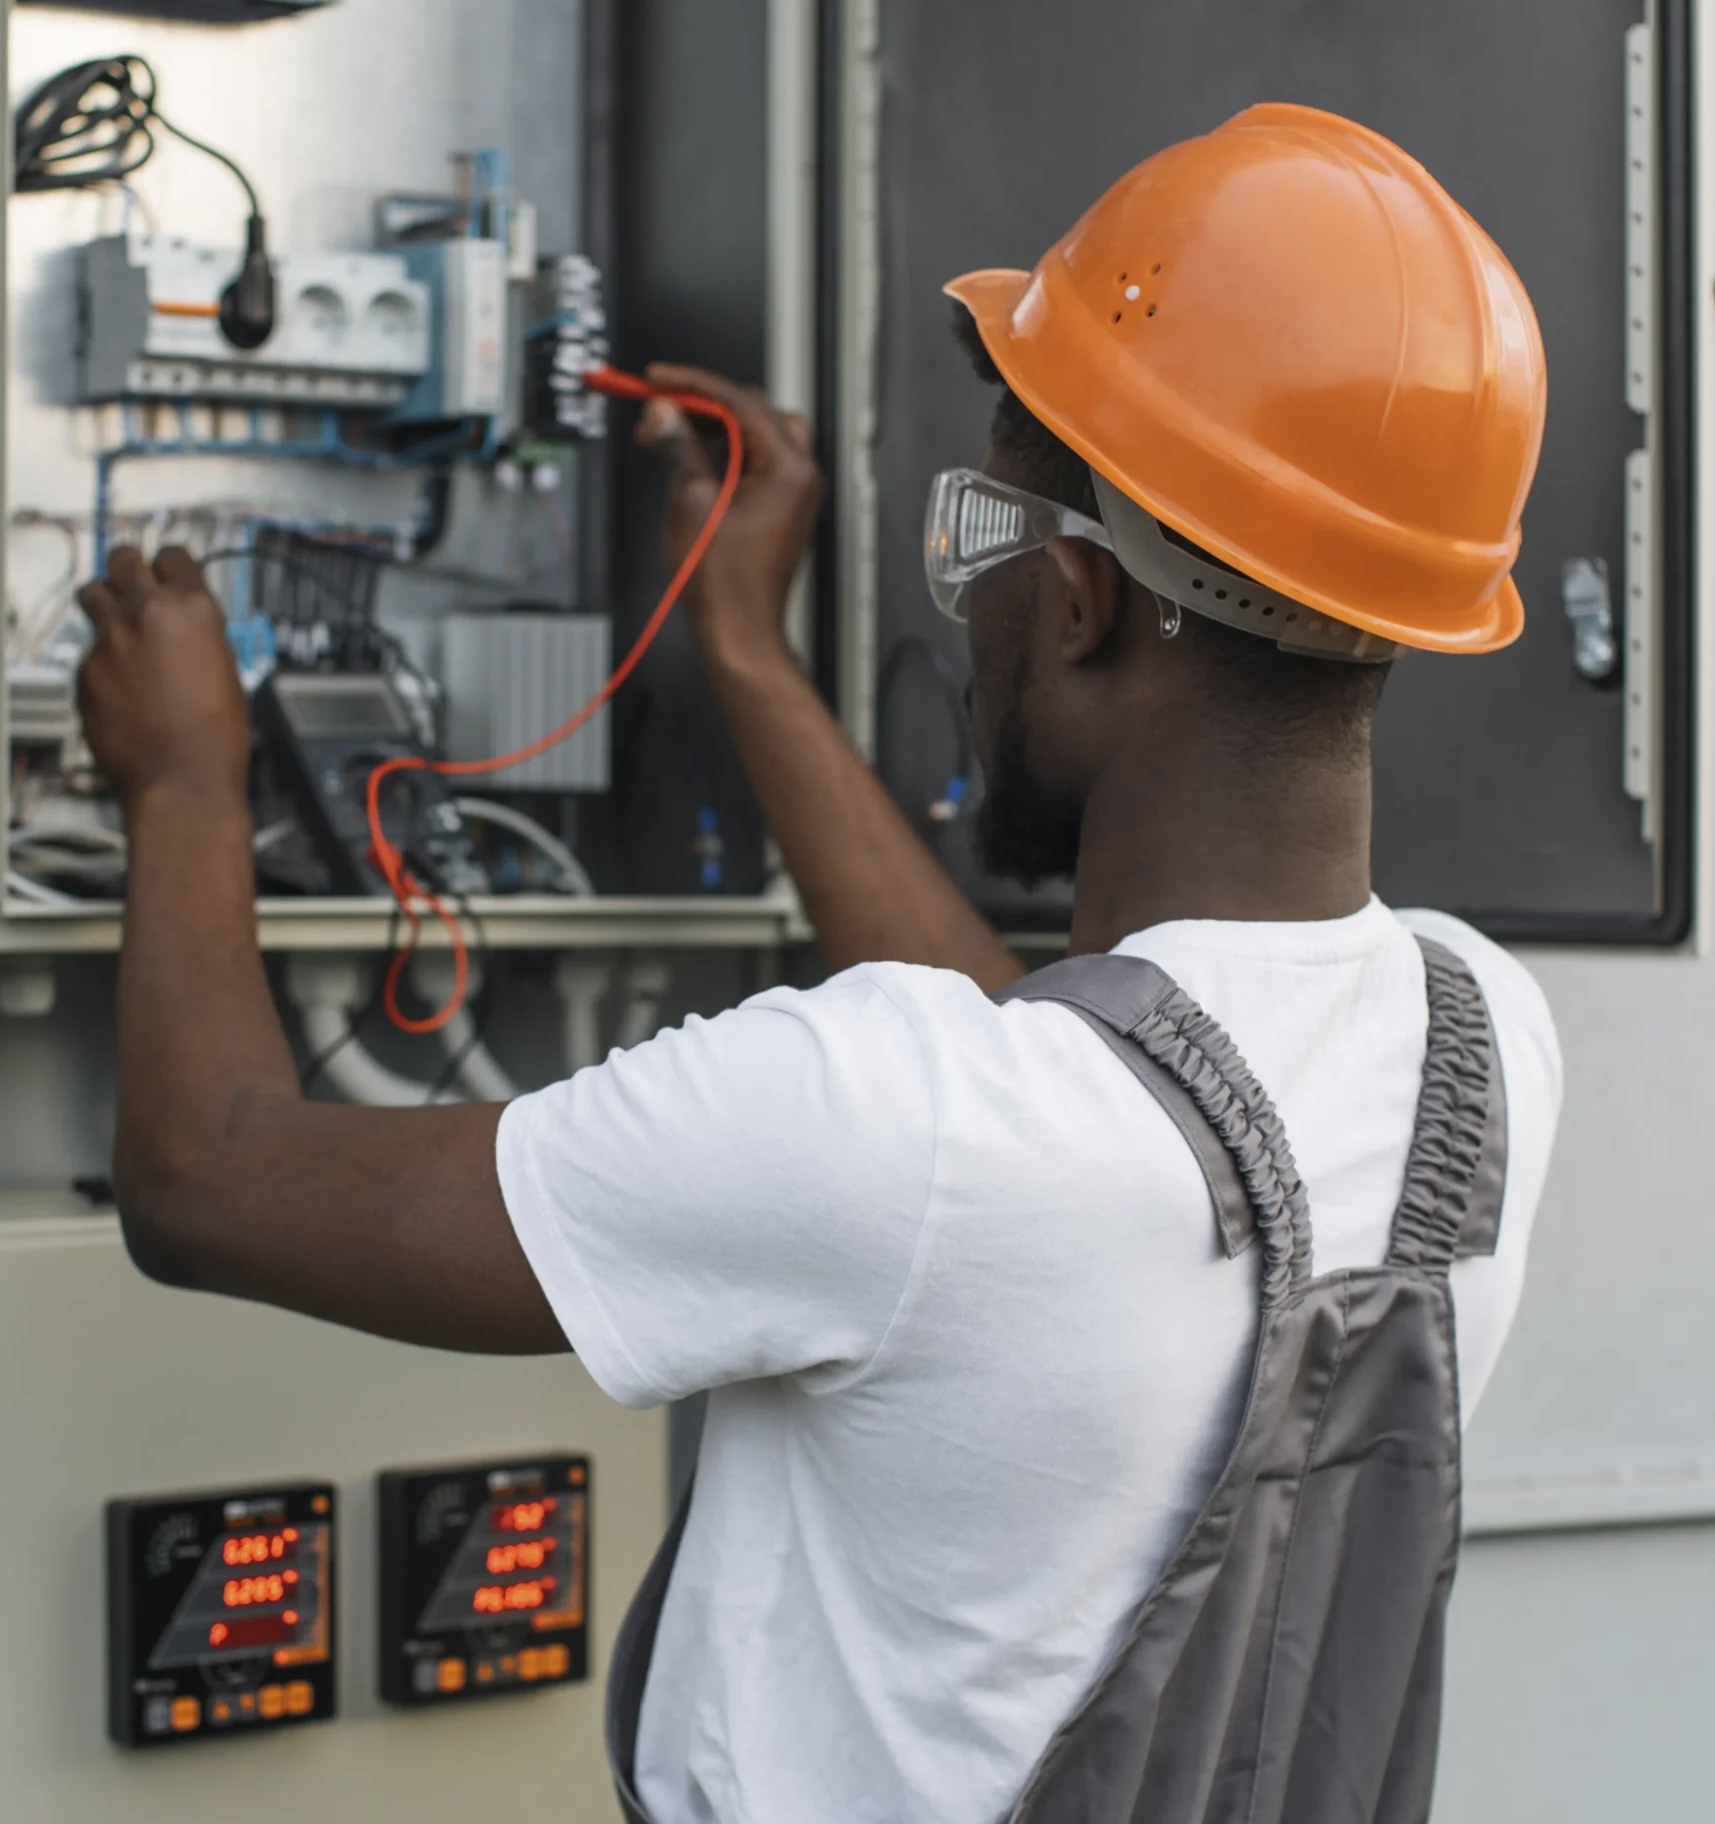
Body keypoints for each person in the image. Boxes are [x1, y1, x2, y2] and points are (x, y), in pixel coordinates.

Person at [75, 104, 1562, 1824]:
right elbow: (1070, 1080)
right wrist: (744, 655)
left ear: (1079, 602)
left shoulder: (894, 1122)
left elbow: (204, 1177)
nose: (973, 604)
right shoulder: (1484, 1038)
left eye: (987, 548)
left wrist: (183, 780)